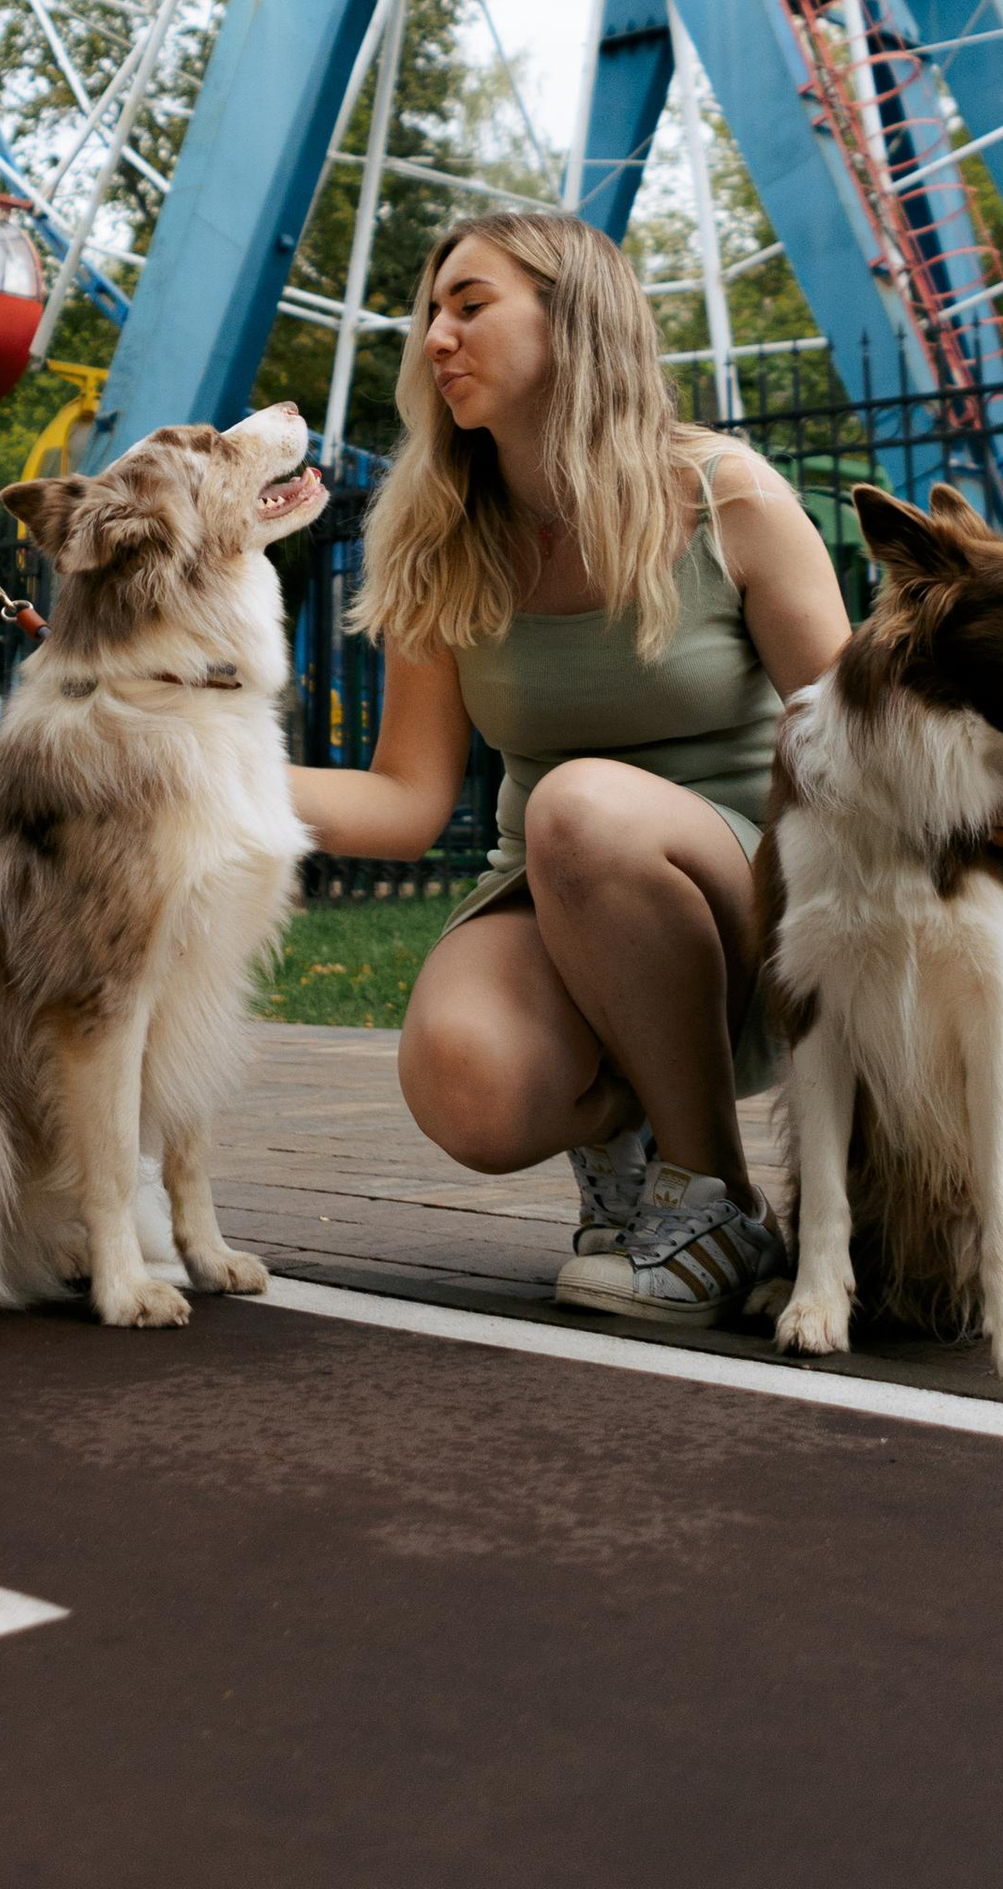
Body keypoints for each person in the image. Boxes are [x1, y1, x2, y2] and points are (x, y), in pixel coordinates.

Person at [289, 206, 855, 1334]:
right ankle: (629, 1137)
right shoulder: (435, 534)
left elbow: (850, 742)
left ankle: (710, 1201)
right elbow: (406, 800)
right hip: (552, 883)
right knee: (470, 1087)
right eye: (428, 316)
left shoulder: (724, 495)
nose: (435, 339)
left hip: (752, 891)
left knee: (580, 803)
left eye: (470, 306)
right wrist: (187, 766)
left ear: (573, 320)